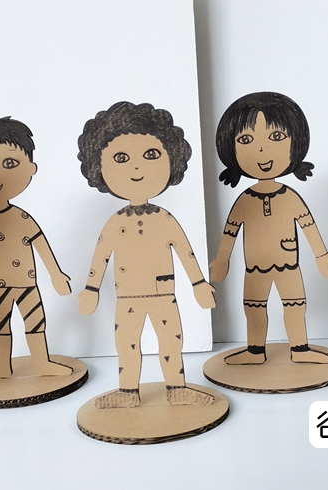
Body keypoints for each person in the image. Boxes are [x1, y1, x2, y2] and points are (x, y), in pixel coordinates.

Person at [77, 101, 216, 408]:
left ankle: (177, 388)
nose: (136, 168)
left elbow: (185, 251)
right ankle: (128, 392)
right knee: (126, 344)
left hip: (163, 293)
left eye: (151, 155)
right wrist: (90, 289)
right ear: (99, 167)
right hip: (127, 296)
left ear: (172, 159)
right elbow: (101, 256)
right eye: (121, 158)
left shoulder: (165, 220)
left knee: (171, 341)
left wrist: (198, 284)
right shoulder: (115, 223)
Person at [210, 92, 328, 365]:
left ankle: (300, 350)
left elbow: (307, 224)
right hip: (254, 266)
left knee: (295, 306)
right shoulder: (244, 200)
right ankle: (255, 351)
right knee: (254, 308)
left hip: (288, 264)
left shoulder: (289, 197)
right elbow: (231, 230)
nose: (262, 151)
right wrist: (222, 259)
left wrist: (322, 255)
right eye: (246, 140)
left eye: (276, 137)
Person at [0, 114, 72, 378]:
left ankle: (42, 363)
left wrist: (56, 274)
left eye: (10, 163)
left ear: (31, 168)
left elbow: (40, 244)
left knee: (35, 322)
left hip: (27, 284)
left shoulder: (23, 219)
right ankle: (1, 365)